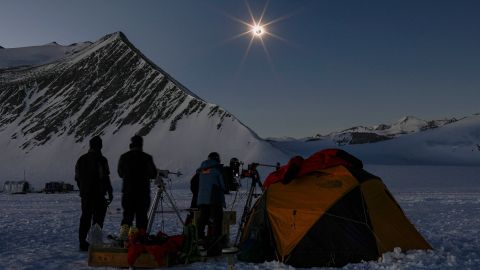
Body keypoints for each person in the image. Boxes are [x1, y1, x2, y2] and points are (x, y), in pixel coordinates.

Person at [75, 135, 113, 251]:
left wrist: (83, 190)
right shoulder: (101, 159)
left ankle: (82, 242)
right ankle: (95, 242)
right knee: (98, 219)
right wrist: (109, 192)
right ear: (99, 146)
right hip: (98, 195)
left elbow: (77, 177)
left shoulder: (81, 159)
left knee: (85, 218)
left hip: (85, 195)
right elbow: (105, 178)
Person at [117, 135, 157, 239]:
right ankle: (141, 240)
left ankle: (123, 239)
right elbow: (153, 174)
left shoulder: (124, 157)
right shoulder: (147, 158)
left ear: (131, 145)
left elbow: (120, 173)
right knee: (142, 219)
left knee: (127, 218)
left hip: (128, 194)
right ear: (141, 145)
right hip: (143, 195)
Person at [196, 152, 226, 255]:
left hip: (202, 199)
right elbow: (223, 184)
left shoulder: (201, 170)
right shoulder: (217, 169)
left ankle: (199, 238)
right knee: (217, 220)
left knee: (203, 218)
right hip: (214, 198)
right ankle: (215, 244)